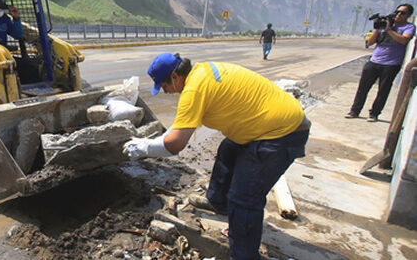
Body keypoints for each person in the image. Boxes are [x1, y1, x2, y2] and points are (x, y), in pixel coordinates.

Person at [123, 53, 310, 260]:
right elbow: (180, 127)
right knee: (228, 150)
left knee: (244, 200)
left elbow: (175, 144)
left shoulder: (193, 89)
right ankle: (218, 201)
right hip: (273, 123)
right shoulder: (201, 73)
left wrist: (145, 147)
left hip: (280, 135)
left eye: (164, 85)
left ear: (175, 76)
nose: (165, 91)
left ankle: (243, 256)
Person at [346, 4, 415, 122]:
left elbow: (404, 40)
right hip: (374, 61)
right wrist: (379, 28)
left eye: (402, 13)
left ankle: (374, 114)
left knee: (383, 90)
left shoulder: (408, 27)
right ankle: (354, 111)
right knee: (363, 88)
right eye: (397, 11)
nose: (398, 14)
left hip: (392, 64)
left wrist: (389, 30)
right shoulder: (386, 24)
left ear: (408, 15)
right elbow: (370, 42)